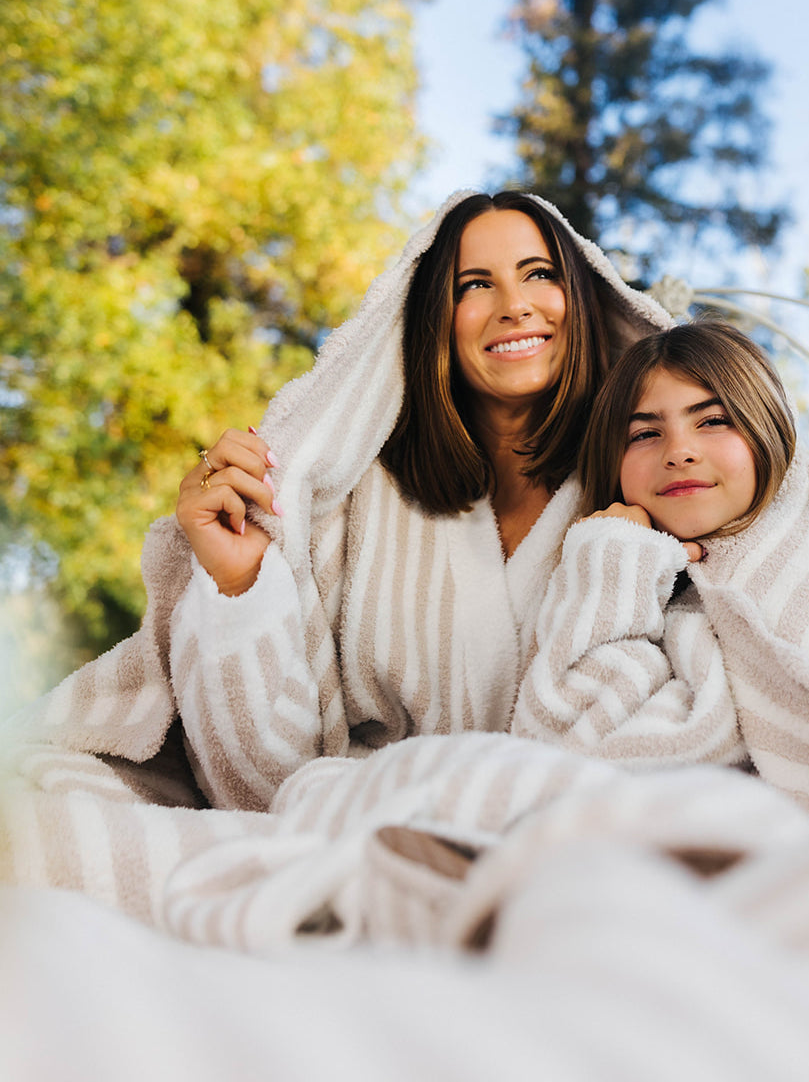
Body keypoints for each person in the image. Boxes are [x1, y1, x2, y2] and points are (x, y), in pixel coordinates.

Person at [0, 191, 672, 918]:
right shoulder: (352, 500)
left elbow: (689, 719)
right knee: (31, 827)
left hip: (568, 839)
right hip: (359, 829)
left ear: (580, 296)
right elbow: (262, 785)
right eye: (473, 285)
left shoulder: (655, 488)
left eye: (539, 274)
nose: (514, 305)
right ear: (432, 322)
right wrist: (239, 584)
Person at [513, 320, 809, 823]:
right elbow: (558, 745)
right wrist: (615, 555)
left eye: (712, 421)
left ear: (765, 434)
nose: (679, 451)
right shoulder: (611, 571)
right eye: (644, 433)